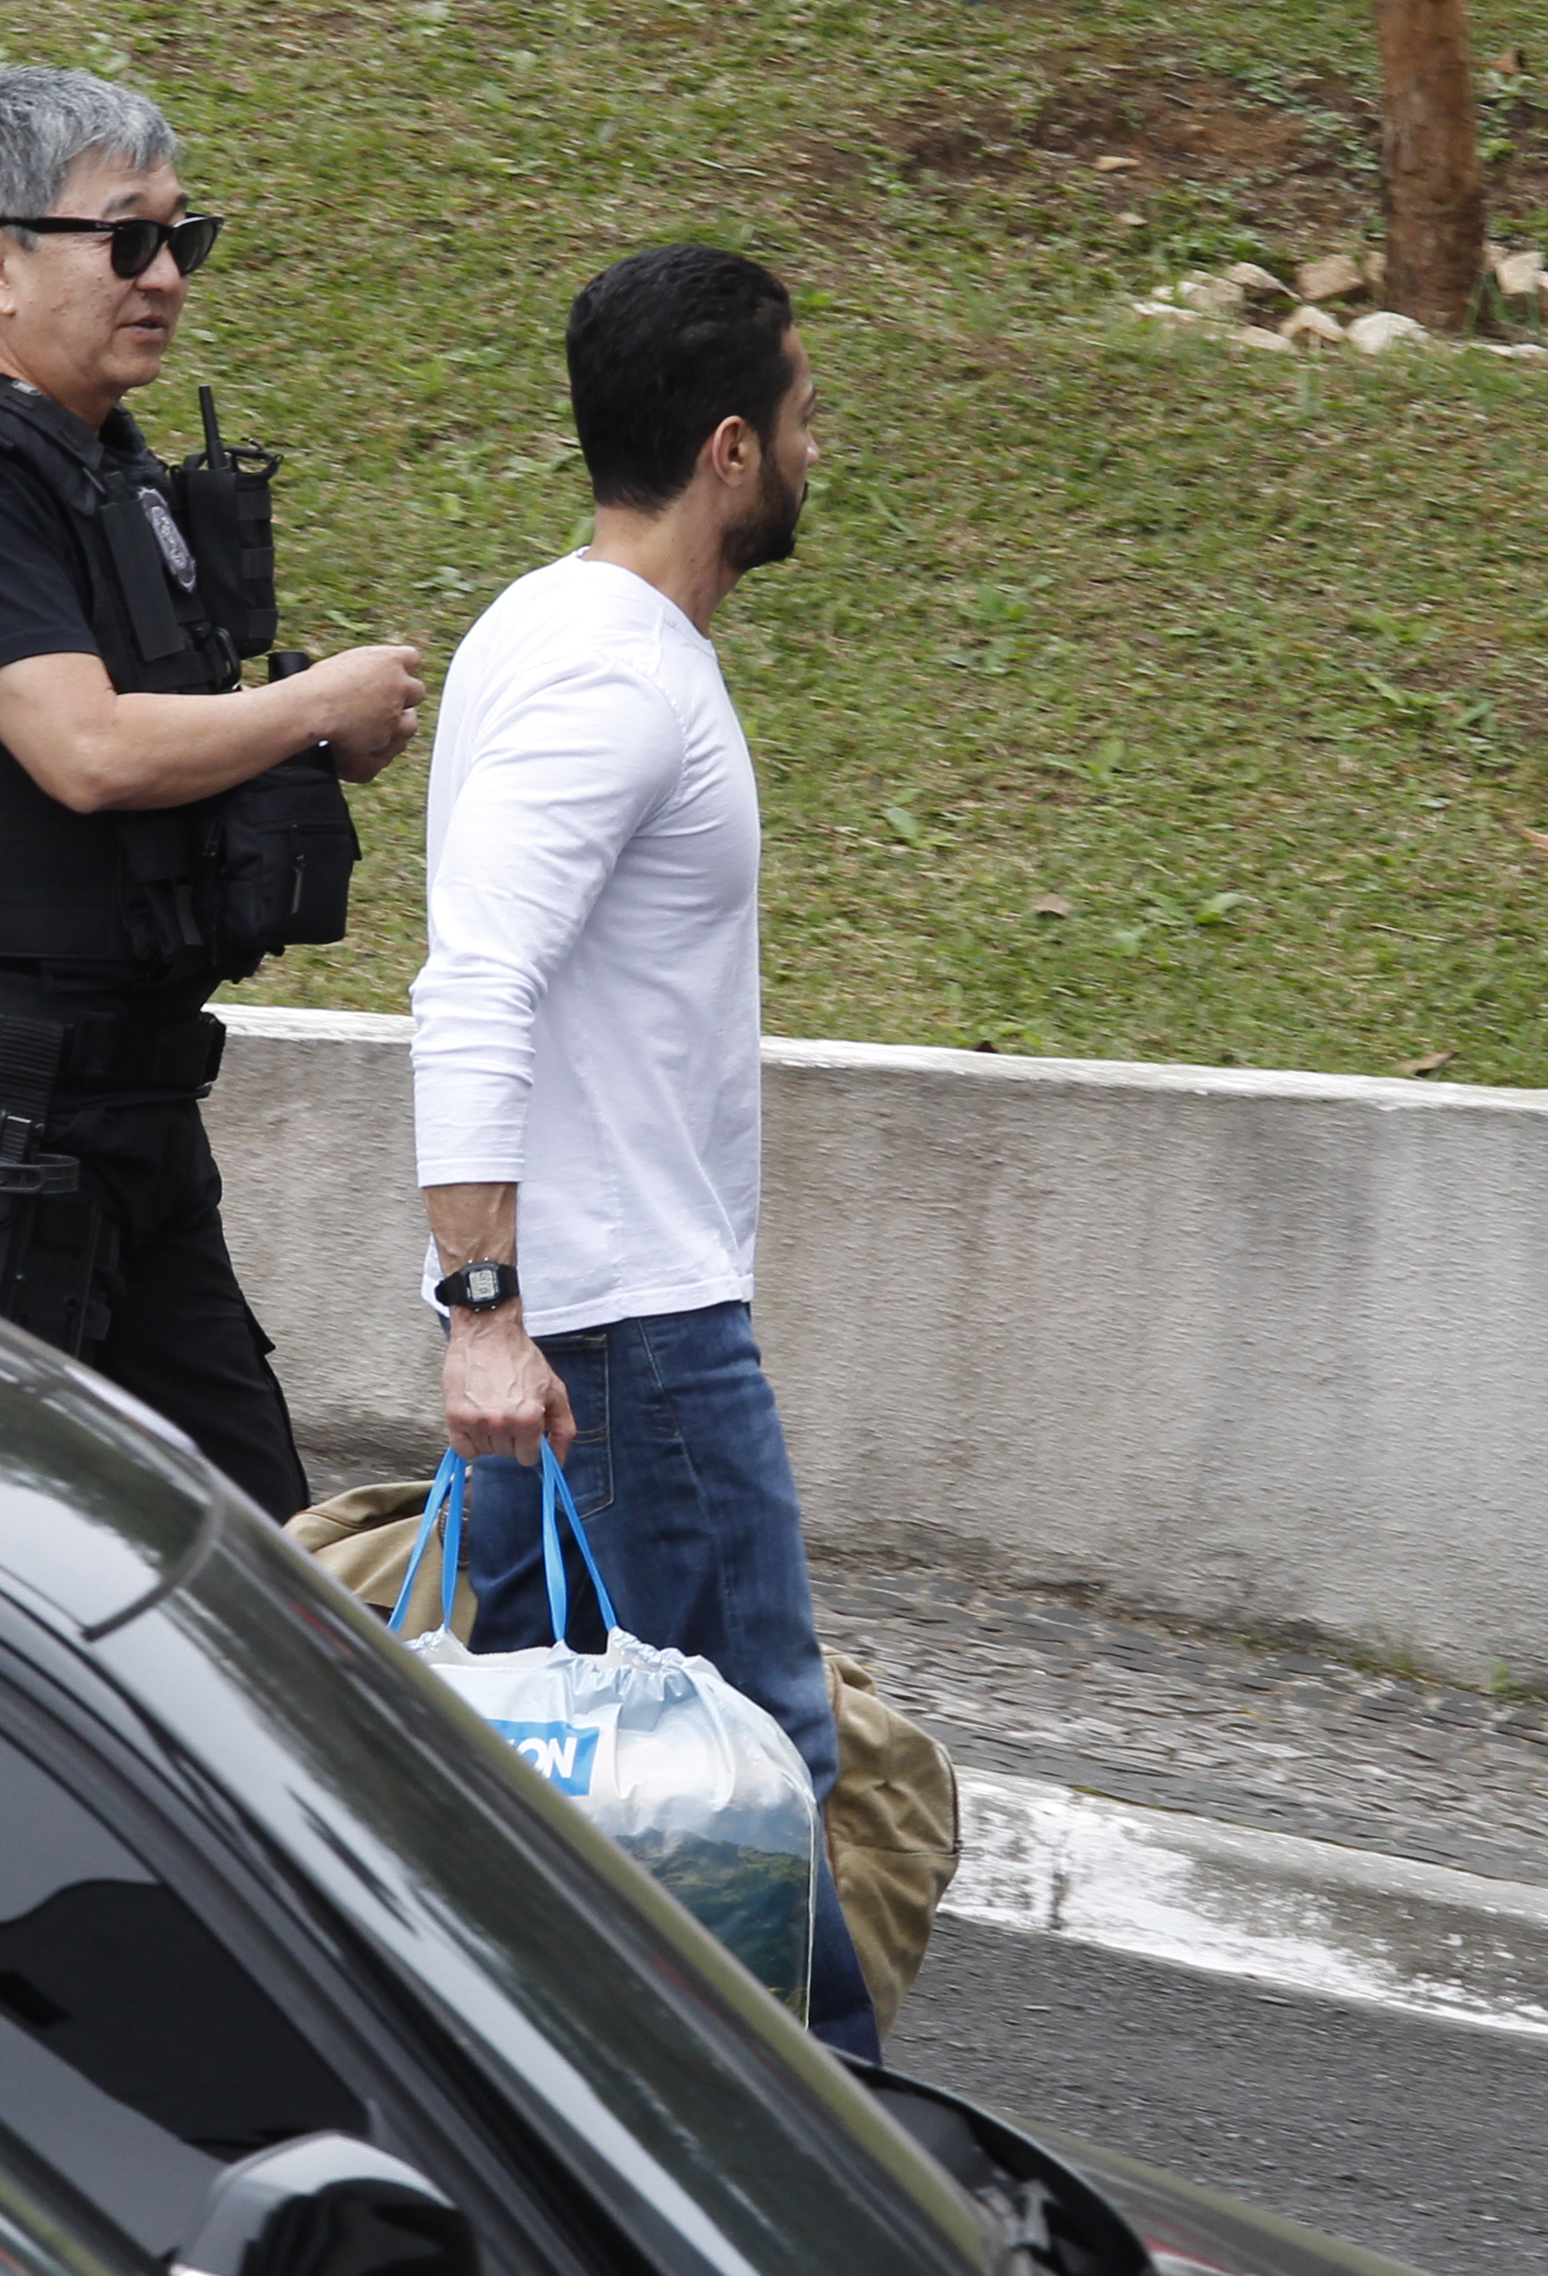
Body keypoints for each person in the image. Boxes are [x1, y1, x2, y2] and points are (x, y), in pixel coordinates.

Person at [0, 66, 423, 1517]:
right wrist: (310, 706)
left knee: (253, 1545)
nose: (164, 278)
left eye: (181, 240)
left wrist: (293, 743)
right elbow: (83, 751)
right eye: (126, 240)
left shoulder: (100, 466)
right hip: (4, 1119)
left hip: (127, 1110)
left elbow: (165, 732)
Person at [409, 245, 879, 2056]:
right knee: (744, 1802)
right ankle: (840, 2171)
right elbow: (475, 984)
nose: (822, 448)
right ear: (729, 450)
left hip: (578, 1339)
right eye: (807, 415)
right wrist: (481, 1312)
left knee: (582, 1840)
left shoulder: (544, 628)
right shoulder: (614, 678)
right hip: (626, 1350)